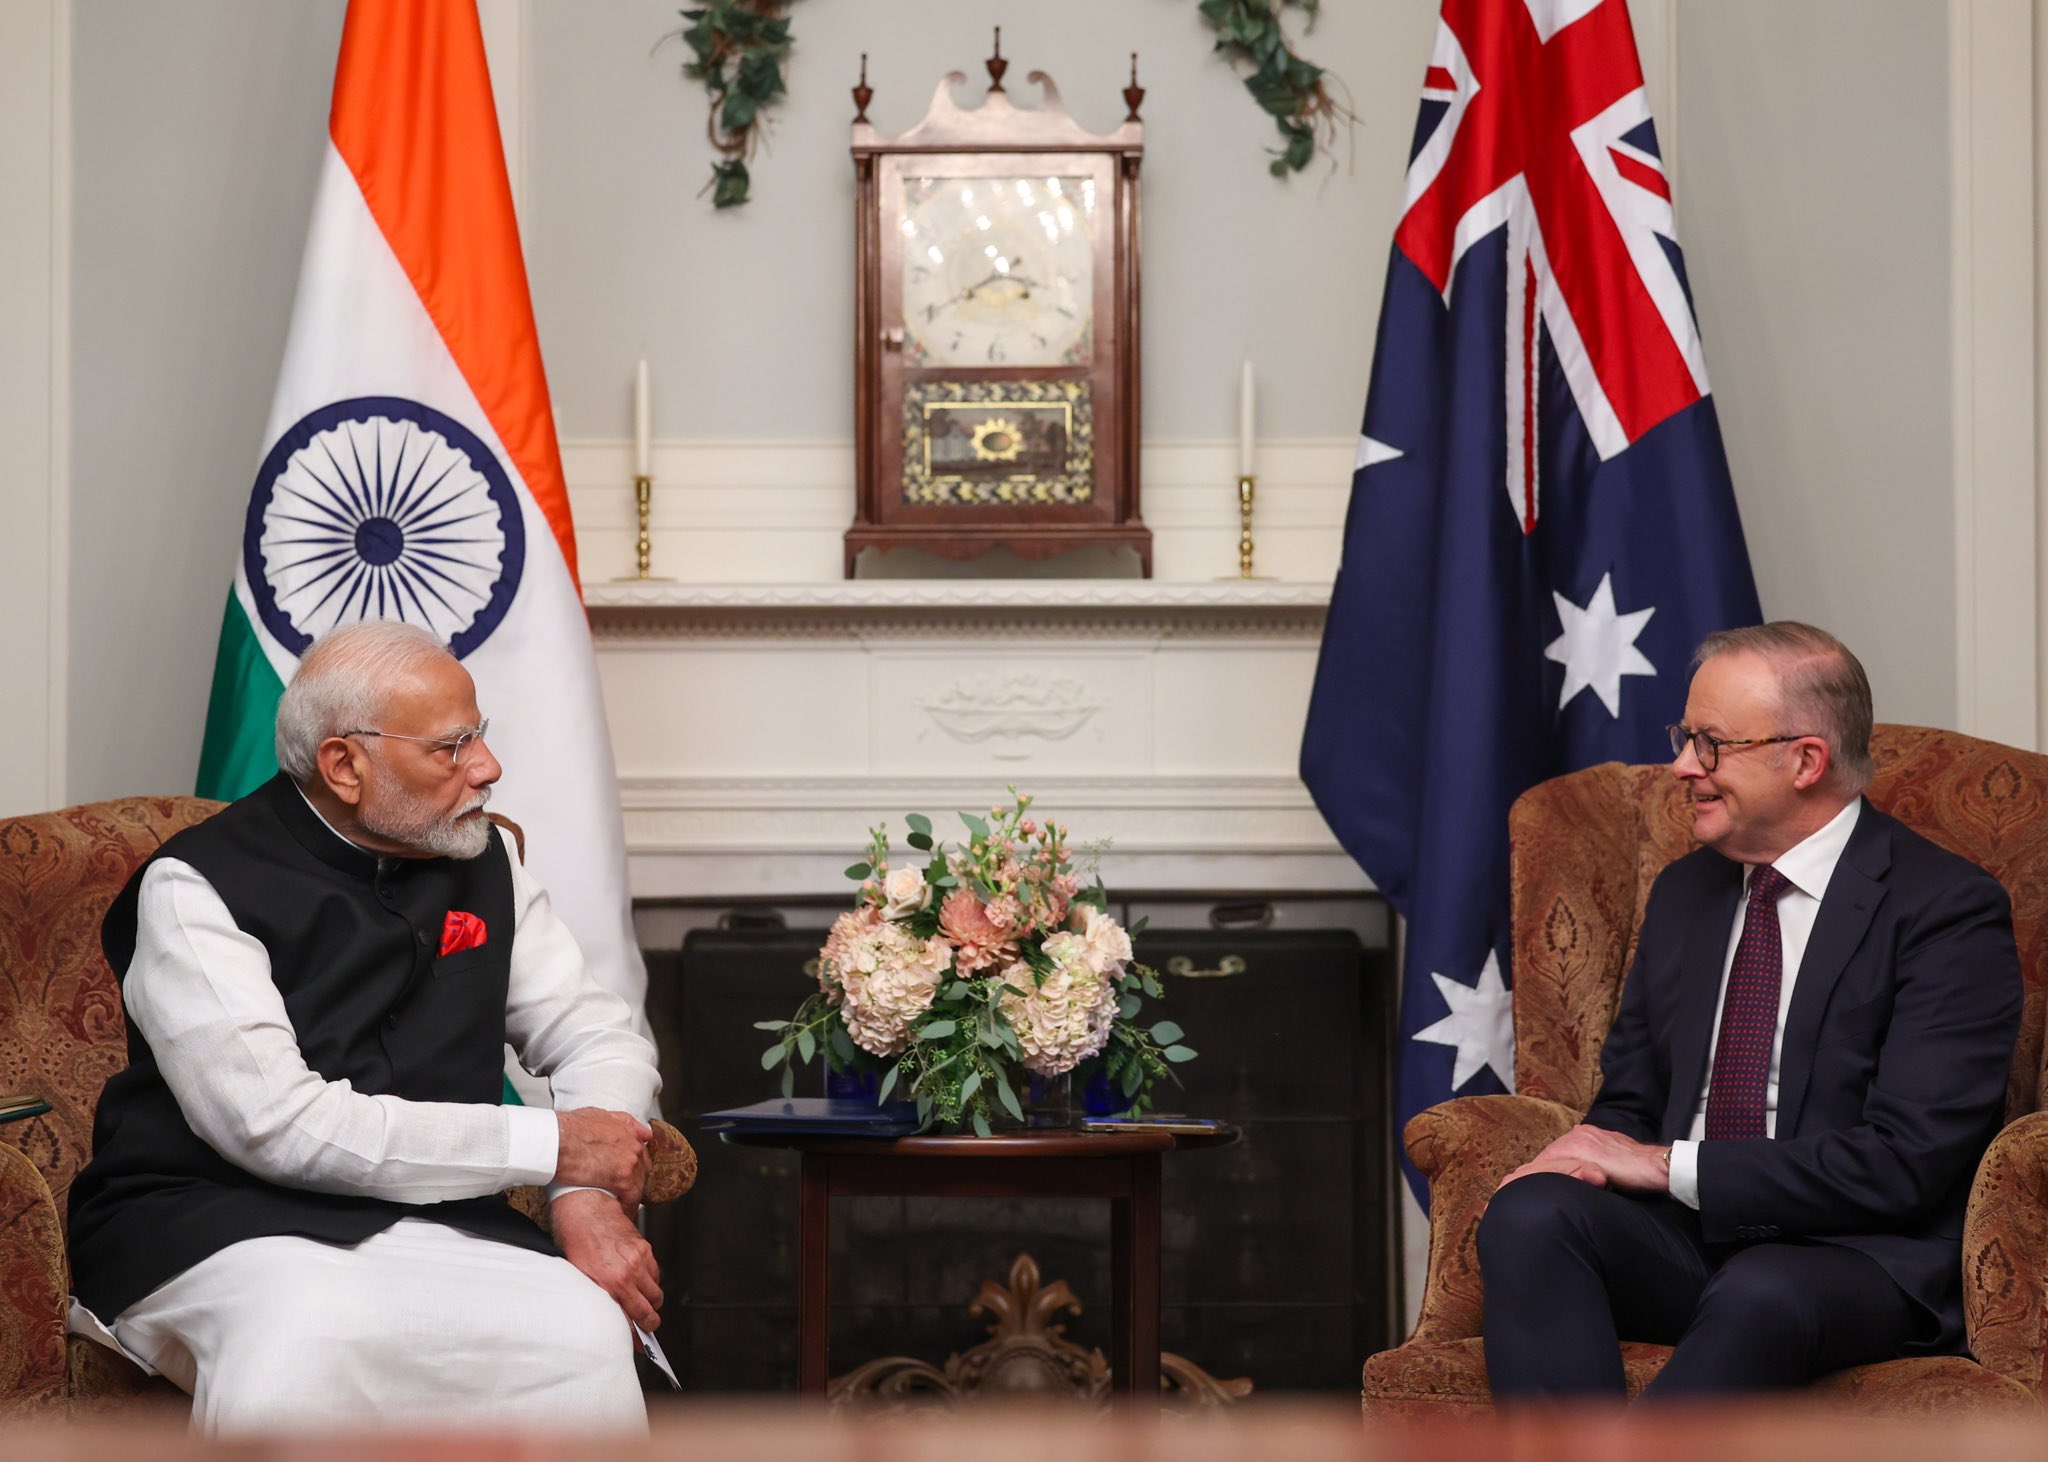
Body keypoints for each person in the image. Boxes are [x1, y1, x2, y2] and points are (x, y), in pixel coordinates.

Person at [66, 619, 666, 1433]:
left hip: (441, 1217)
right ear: (345, 765)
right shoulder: (193, 887)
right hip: (216, 1217)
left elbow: (597, 1033)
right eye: (451, 748)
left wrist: (586, 1193)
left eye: (479, 736)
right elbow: (275, 1127)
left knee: (581, 1330)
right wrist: (552, 1145)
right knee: (310, 1327)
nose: (488, 768)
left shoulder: (482, 859)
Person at [1477, 622, 2023, 1399]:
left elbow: (1908, 1162)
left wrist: (1667, 1164)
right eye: (1684, 737)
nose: (1681, 767)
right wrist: (1590, 1156)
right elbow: (1630, 1100)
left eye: (1710, 744)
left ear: (1805, 760)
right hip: (1687, 1236)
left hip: (1858, 1254)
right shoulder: (1684, 893)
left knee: (1761, 1291)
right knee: (1532, 1215)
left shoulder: (1944, 909)